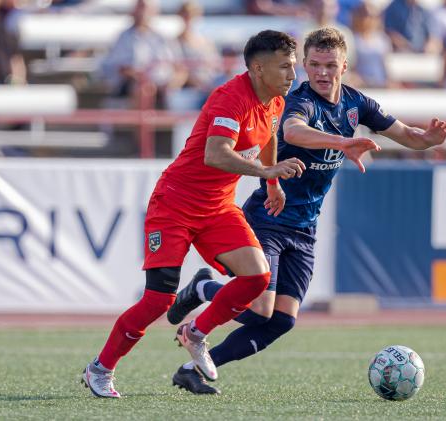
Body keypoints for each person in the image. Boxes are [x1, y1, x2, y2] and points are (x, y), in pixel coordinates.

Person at [167, 27, 446, 395]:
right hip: (269, 217)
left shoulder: (357, 103)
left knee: (282, 320)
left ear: (344, 66)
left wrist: (427, 140)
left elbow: (406, 134)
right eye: (315, 64)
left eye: (330, 65)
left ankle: (189, 370)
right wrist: (344, 141)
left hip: (305, 227)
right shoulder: (299, 100)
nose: (322, 72)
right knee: (260, 310)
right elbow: (295, 130)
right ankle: (204, 288)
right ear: (304, 65)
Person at [81, 29, 306, 398]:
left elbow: (268, 138)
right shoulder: (230, 98)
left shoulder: (276, 101)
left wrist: (272, 184)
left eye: (293, 67)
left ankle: (195, 332)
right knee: (158, 300)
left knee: (257, 277)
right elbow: (215, 154)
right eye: (285, 67)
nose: (292, 75)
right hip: (174, 204)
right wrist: (267, 174)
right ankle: (100, 369)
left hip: (217, 208)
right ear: (257, 68)